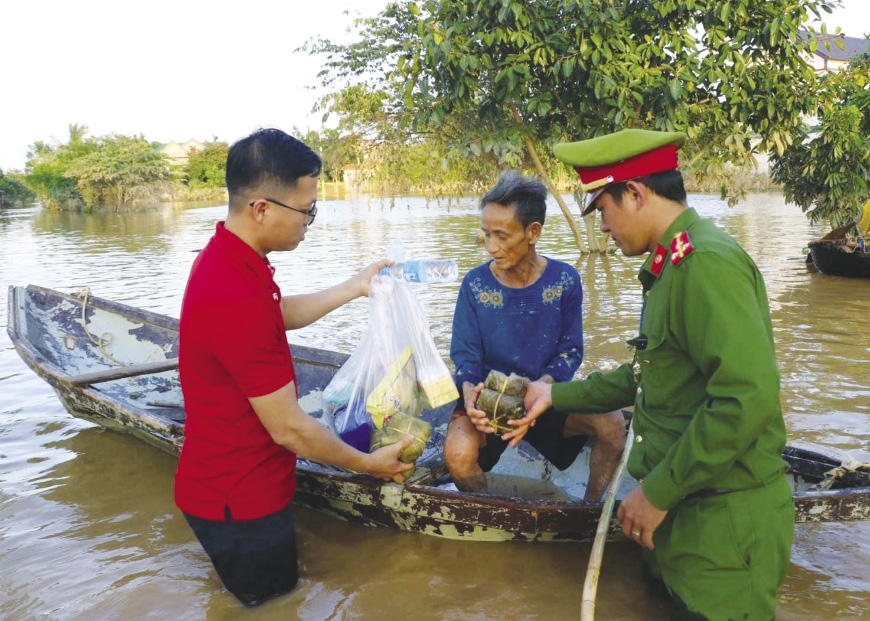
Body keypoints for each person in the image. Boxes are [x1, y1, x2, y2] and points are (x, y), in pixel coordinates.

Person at [520, 129, 794, 620]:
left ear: (635, 193)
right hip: (684, 514)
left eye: (603, 209)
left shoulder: (705, 264)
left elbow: (745, 399)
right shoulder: (670, 264)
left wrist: (657, 491)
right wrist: (554, 395)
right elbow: (645, 375)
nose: (603, 226)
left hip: (721, 525)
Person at [175, 128, 415, 607]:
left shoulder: (231, 257)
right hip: (239, 499)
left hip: (233, 482)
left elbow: (277, 313)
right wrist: (368, 464)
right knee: (270, 605)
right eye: (307, 210)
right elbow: (290, 429)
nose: (310, 222)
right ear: (261, 209)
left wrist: (355, 286)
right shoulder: (234, 291)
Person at [445, 170, 626, 502]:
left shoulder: (564, 280)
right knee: (457, 454)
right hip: (489, 402)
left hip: (545, 394)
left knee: (613, 425)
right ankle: (491, 510)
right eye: (486, 235)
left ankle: (588, 511)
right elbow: (465, 355)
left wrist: (540, 389)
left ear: (533, 232)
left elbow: (570, 353)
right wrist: (469, 393)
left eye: (501, 236)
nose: (491, 247)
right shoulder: (475, 284)